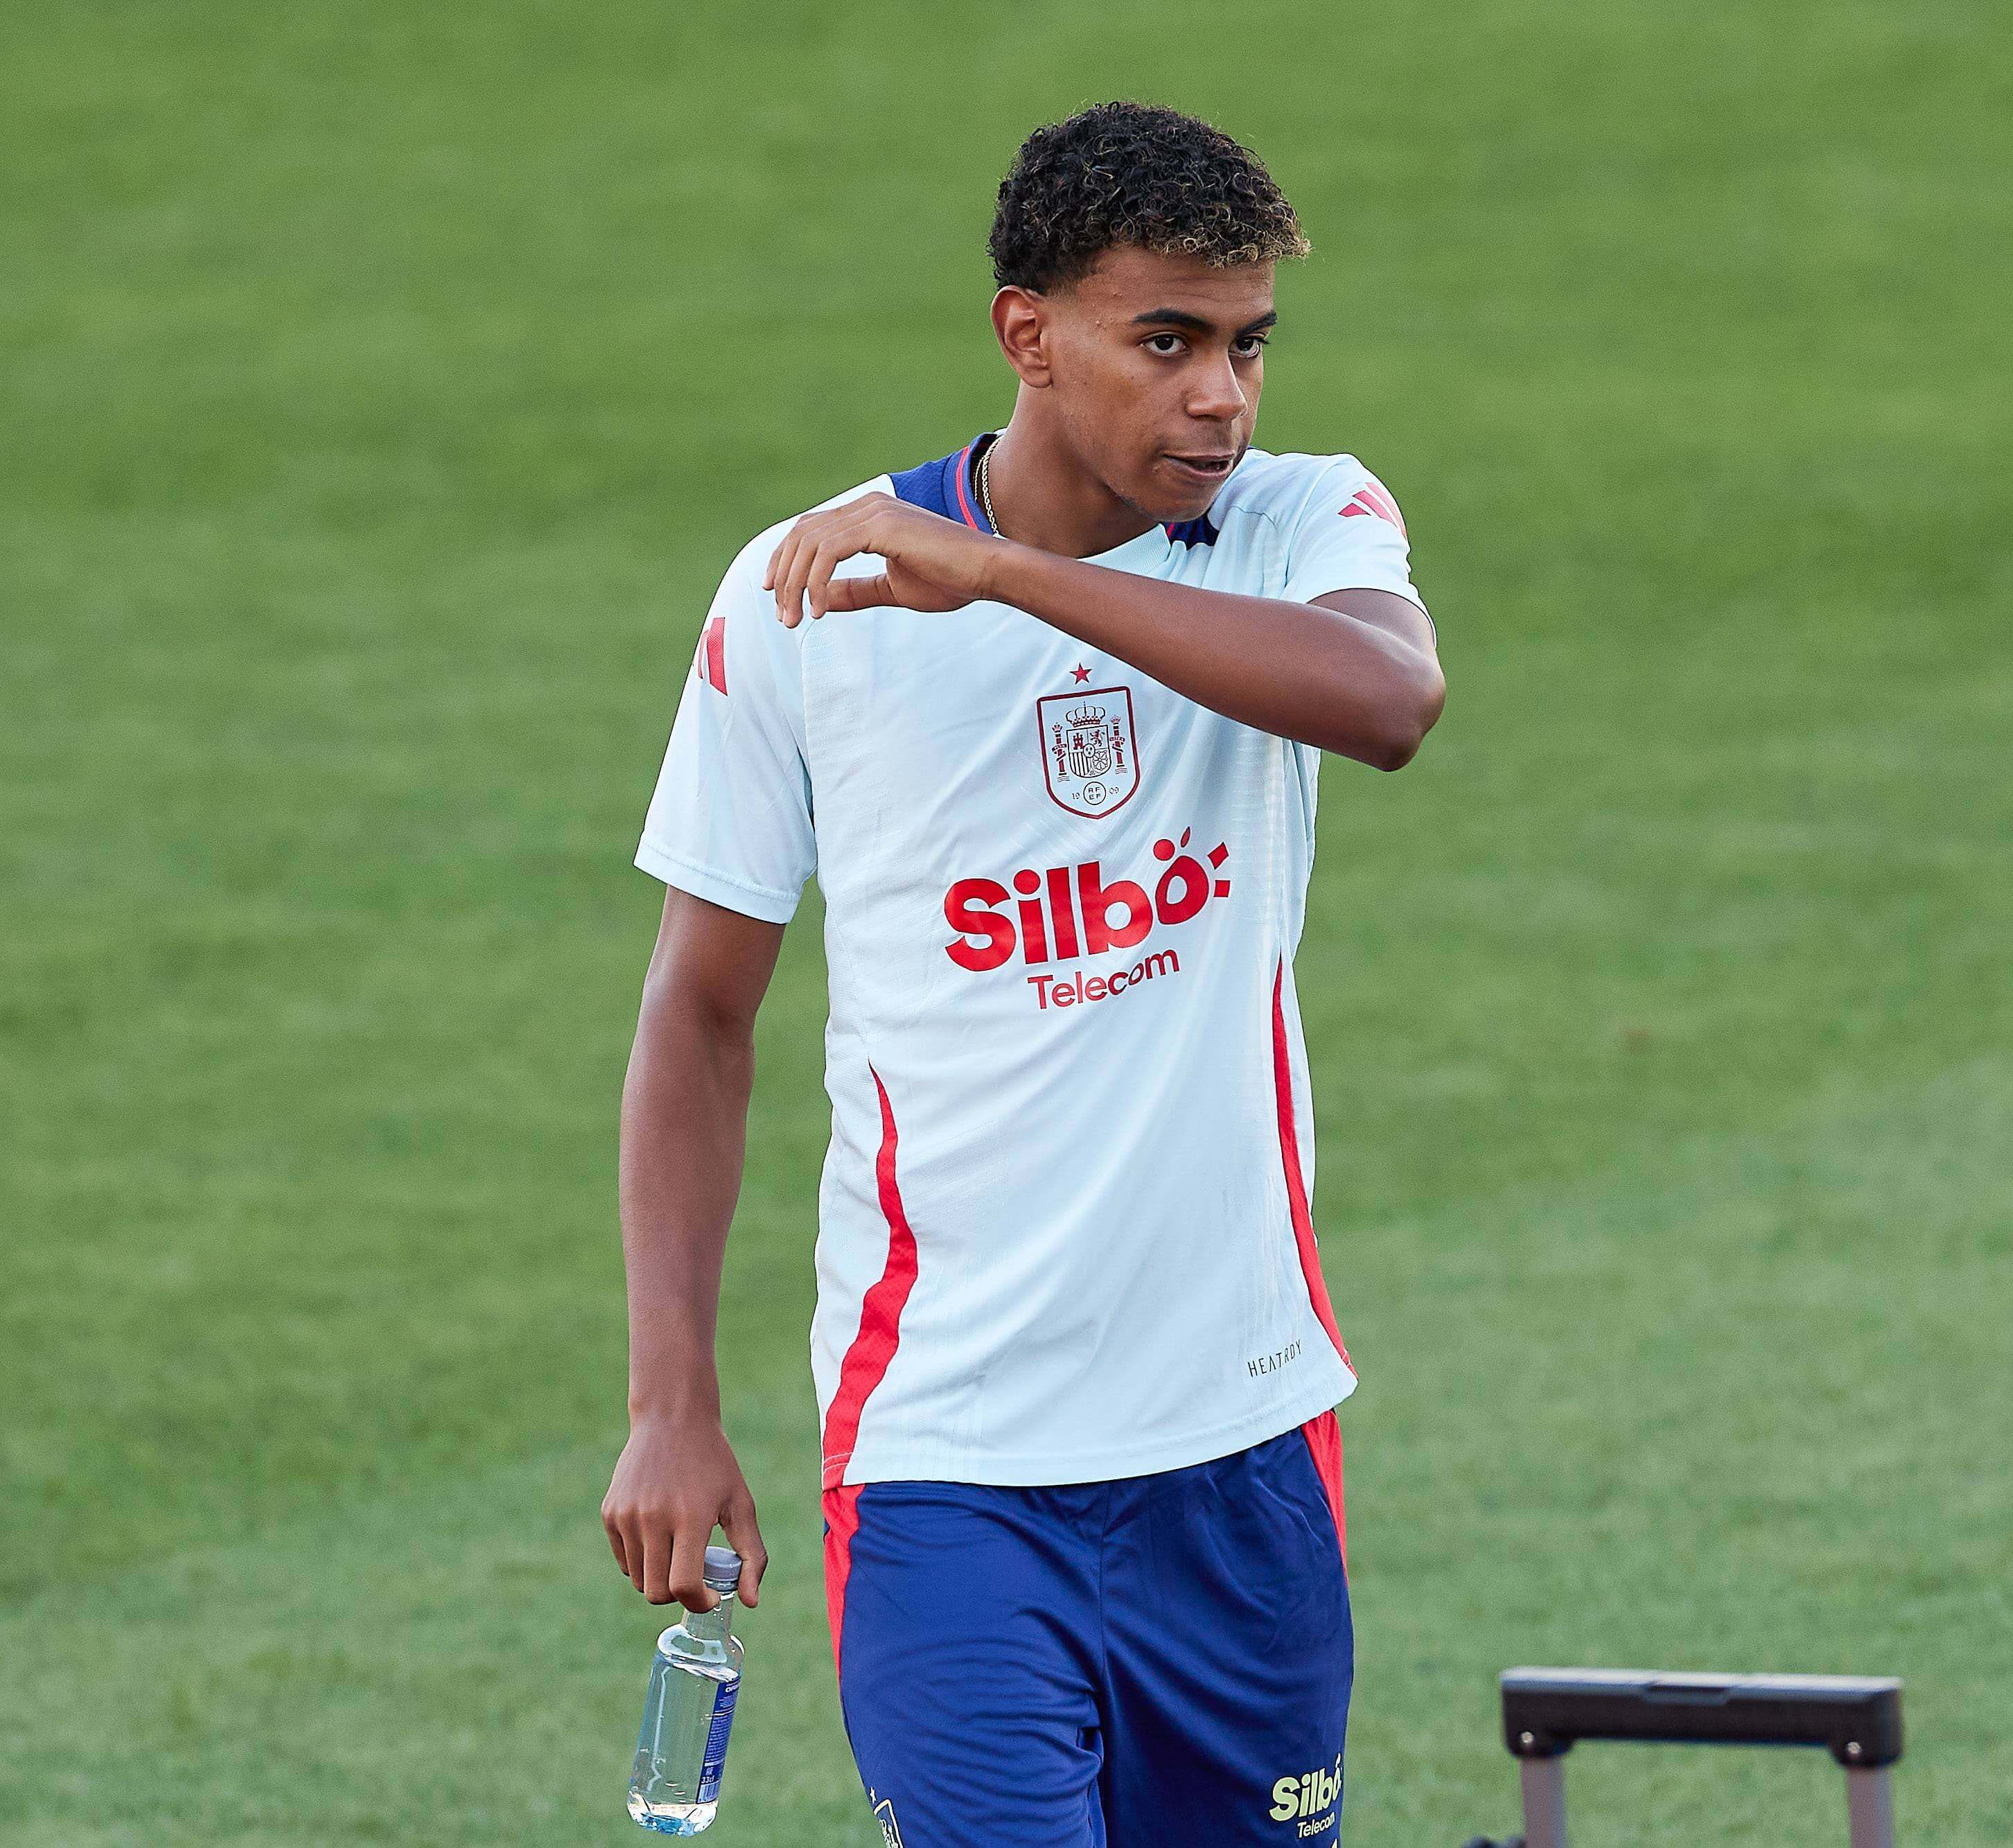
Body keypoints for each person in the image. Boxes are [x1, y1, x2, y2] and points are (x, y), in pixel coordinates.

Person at [601, 98, 1445, 1847]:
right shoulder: (800, 599)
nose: (1218, 394)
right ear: (1026, 334)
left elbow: (1386, 704)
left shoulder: (1298, 523)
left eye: (1244, 346)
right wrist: (669, 1400)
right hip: (947, 1462)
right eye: (1165, 341)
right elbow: (698, 1013)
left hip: (1243, 1438)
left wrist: (1004, 580)